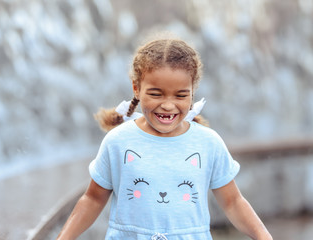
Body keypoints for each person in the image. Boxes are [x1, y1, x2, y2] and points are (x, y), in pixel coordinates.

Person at [57, 35, 273, 240]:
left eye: (180, 95)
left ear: (192, 92)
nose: (168, 105)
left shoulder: (208, 143)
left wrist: (263, 235)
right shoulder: (118, 141)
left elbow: (233, 201)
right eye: (156, 93)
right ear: (137, 88)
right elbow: (93, 198)